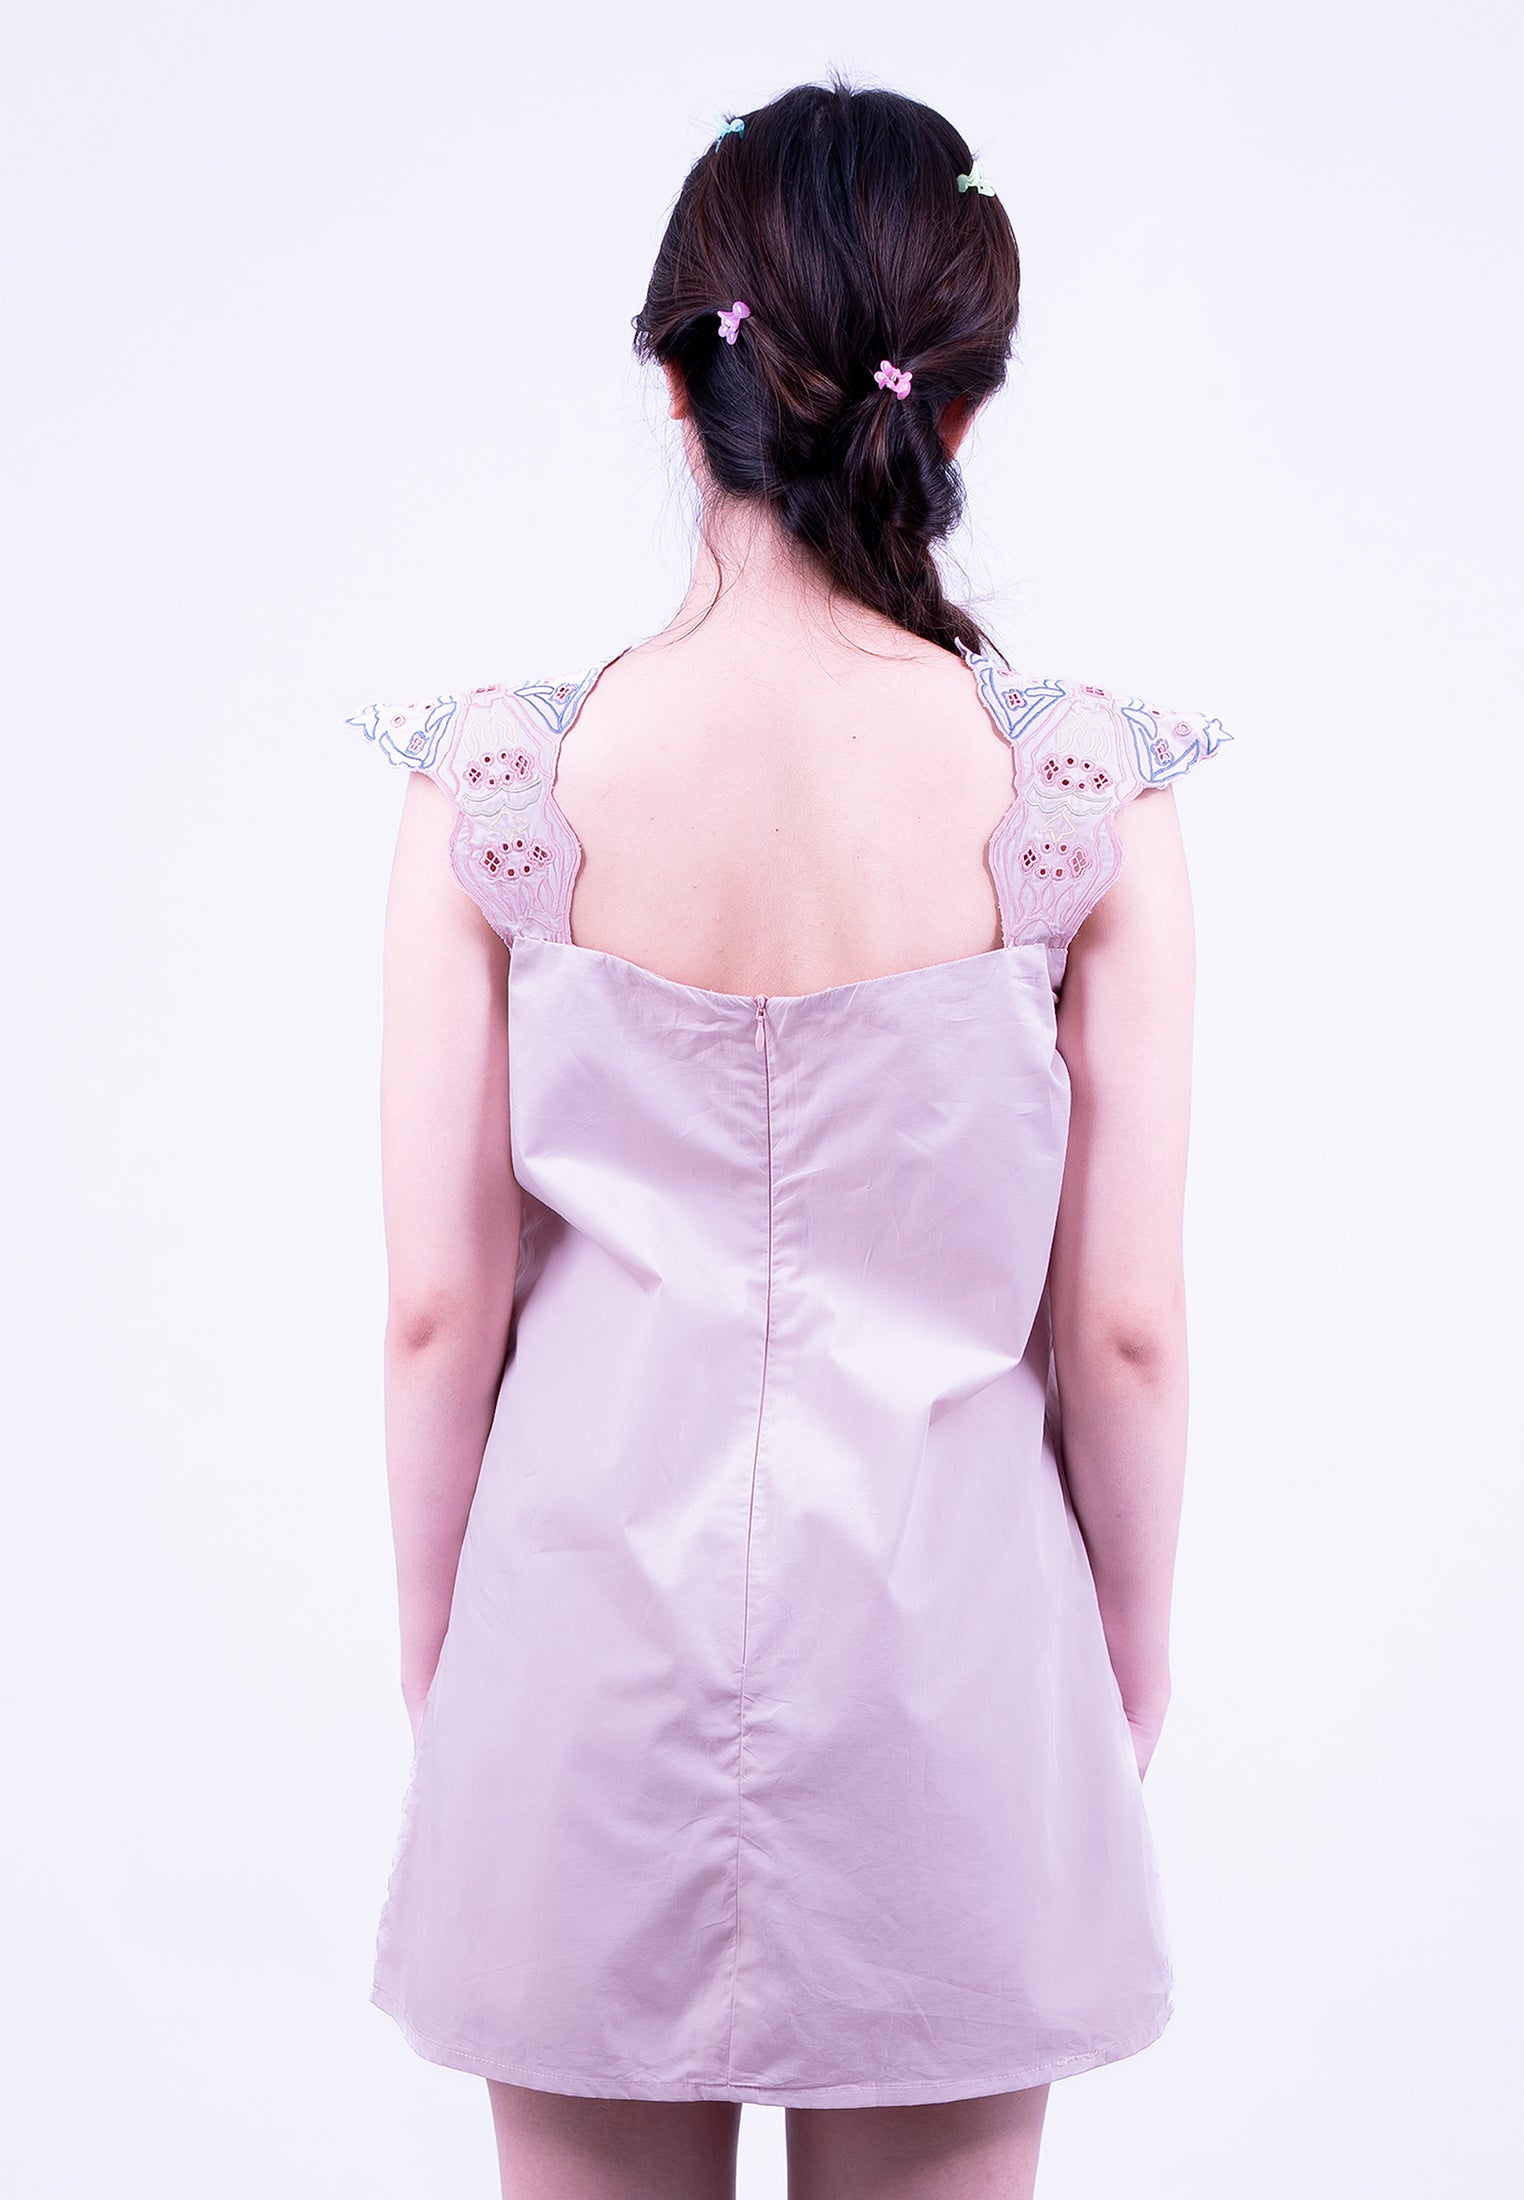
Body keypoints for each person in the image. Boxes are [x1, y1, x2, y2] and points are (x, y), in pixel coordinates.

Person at [349, 77, 1232, 2200]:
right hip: (956, 1664)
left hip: (579, 1662)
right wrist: (1121, 1671)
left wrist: (457, 1679)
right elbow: (1121, 1330)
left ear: (680, 389)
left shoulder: (496, 791)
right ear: (961, 411)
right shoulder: (1083, 801)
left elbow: (436, 1313)